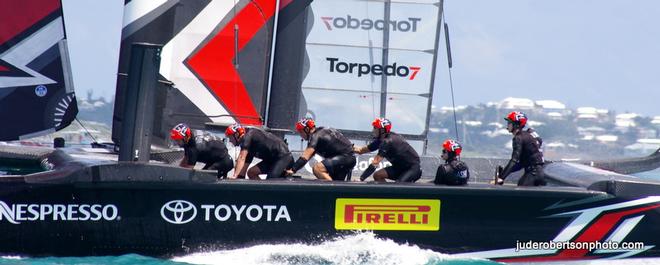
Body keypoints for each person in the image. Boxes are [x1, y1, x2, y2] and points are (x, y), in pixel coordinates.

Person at [285, 118, 356, 181]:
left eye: (300, 132)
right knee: (334, 181)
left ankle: (331, 191)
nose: (300, 135)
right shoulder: (321, 132)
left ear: (307, 129)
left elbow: (305, 157)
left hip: (345, 158)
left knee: (317, 169)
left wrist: (292, 170)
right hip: (348, 158)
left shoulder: (315, 136)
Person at [353, 118, 421, 182]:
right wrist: (347, 146)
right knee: (378, 175)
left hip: (412, 169)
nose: (372, 130)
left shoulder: (387, 142)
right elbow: (361, 150)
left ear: (382, 130)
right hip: (399, 168)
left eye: (375, 128)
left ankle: (392, 193)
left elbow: (375, 163)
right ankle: (387, 194)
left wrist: (361, 179)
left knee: (397, 188)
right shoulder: (381, 140)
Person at [492, 111, 546, 186]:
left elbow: (514, 160)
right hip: (541, 173)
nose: (508, 125)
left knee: (520, 190)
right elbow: (520, 164)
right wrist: (505, 172)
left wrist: (501, 178)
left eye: (509, 123)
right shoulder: (529, 134)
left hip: (532, 174)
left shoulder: (518, 138)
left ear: (516, 125)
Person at [225, 123, 293, 179]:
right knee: (251, 173)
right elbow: (242, 170)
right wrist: (237, 178)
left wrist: (234, 176)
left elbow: (241, 158)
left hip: (283, 157)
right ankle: (261, 193)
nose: (230, 141)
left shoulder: (247, 137)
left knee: (271, 181)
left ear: (236, 135)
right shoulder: (249, 146)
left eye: (230, 138)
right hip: (273, 160)